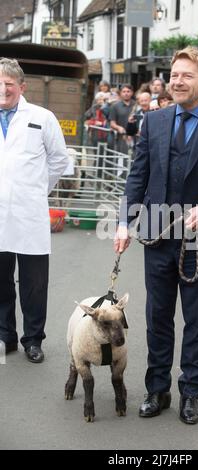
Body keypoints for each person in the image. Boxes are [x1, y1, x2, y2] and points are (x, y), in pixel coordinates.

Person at [114, 46, 198, 424]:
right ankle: (157, 389)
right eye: (174, 75)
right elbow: (137, 177)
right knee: (157, 317)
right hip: (156, 235)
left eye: (187, 75)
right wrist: (125, 222)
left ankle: (191, 392)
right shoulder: (153, 122)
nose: (177, 81)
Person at [0, 58, 69, 363]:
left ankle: (33, 339)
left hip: (29, 213)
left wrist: (38, 189)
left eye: (8, 84)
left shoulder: (42, 117)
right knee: (1, 281)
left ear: (22, 87)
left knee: (34, 283)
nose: (3, 90)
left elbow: (59, 161)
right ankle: (5, 336)